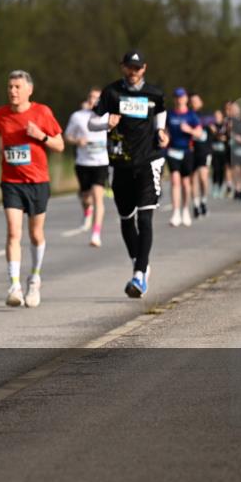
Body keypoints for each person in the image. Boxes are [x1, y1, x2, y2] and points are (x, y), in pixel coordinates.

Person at [90, 50, 168, 298]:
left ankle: (139, 274)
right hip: (120, 162)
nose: (133, 72)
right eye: (129, 67)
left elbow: (161, 111)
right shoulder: (111, 92)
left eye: (137, 68)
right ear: (122, 67)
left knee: (145, 219)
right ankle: (139, 263)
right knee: (126, 218)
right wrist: (106, 124)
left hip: (148, 161)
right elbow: (91, 122)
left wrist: (161, 131)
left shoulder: (154, 93)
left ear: (144, 68)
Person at [0, 70, 64, 308]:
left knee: (35, 234)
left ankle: (34, 279)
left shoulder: (42, 112)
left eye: (17, 87)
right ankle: (14, 286)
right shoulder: (1, 113)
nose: (13, 91)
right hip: (11, 182)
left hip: (37, 182)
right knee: (13, 232)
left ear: (29, 90)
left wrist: (41, 136)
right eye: (10, 87)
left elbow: (60, 145)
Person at [64, 88, 109, 247]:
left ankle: (96, 234)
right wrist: (77, 141)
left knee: (98, 197)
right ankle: (87, 210)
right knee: (85, 197)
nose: (93, 100)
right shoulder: (77, 116)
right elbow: (67, 136)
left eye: (97, 98)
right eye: (91, 97)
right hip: (83, 162)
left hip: (101, 162)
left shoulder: (107, 116)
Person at [165, 88, 202, 228]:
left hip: (187, 151)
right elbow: (164, 130)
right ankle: (176, 213)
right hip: (172, 151)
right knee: (175, 181)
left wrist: (189, 130)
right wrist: (165, 137)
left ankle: (185, 209)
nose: (179, 99)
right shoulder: (170, 114)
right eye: (177, 97)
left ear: (186, 99)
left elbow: (199, 133)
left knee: (186, 183)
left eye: (181, 97)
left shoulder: (192, 115)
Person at [189, 93, 214, 218]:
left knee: (203, 178)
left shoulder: (207, 116)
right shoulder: (188, 116)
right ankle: (196, 205)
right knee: (193, 179)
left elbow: (213, 127)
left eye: (196, 101)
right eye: (192, 101)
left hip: (204, 150)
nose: (194, 103)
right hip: (191, 151)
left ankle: (203, 201)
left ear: (201, 102)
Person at [209, 107, 231, 199]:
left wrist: (219, 135)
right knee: (215, 169)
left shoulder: (225, 126)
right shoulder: (211, 126)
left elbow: (227, 137)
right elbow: (210, 138)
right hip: (214, 151)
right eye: (215, 116)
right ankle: (214, 187)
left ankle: (220, 187)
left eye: (218, 115)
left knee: (222, 170)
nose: (217, 117)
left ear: (222, 116)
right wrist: (218, 136)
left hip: (223, 152)